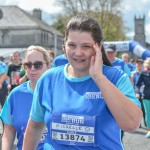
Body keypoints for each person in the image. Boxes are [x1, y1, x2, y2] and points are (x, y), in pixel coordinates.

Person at [23, 15, 142, 150]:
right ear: (64, 45)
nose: (78, 53)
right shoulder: (48, 79)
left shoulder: (116, 78)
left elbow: (132, 124)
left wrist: (99, 78)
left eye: (85, 46)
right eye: (72, 45)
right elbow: (34, 127)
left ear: (98, 46)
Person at [0, 45, 50, 150]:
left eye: (38, 65)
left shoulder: (59, 92)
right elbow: (8, 129)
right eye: (28, 65)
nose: (32, 69)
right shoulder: (15, 94)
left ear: (48, 66)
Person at [135, 58, 150, 138]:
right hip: (146, 96)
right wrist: (137, 93)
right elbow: (137, 84)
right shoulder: (143, 73)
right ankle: (149, 130)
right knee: (148, 114)